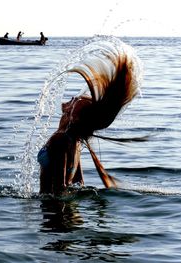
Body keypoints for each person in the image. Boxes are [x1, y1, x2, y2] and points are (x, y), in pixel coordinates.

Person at [38, 41, 141, 195]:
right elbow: (79, 184)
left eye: (77, 101)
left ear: (76, 118)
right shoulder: (75, 141)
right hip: (68, 216)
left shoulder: (60, 140)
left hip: (54, 215)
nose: (74, 98)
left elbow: (59, 191)